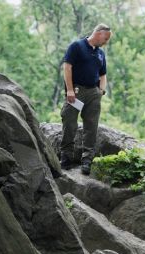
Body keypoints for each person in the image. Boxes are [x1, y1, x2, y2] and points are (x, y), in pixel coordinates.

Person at [59, 23, 111, 175]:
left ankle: (87, 160)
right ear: (99, 33)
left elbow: (103, 74)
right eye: (106, 38)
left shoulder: (101, 54)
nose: (106, 42)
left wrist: (101, 90)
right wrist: (69, 90)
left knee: (91, 126)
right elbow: (67, 67)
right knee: (69, 122)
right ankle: (66, 157)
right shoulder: (77, 46)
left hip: (93, 93)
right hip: (76, 91)